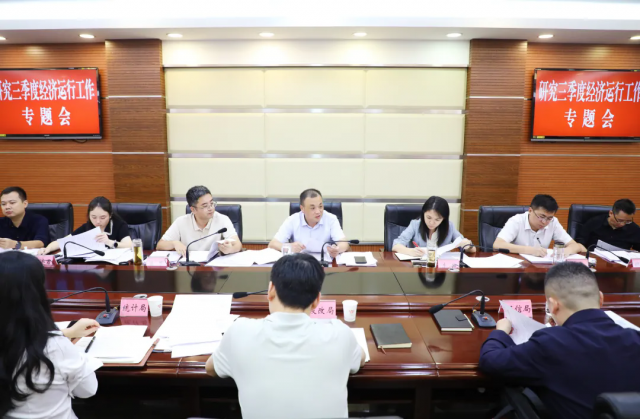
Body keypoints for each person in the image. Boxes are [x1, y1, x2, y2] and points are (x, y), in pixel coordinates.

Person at [205, 253, 365, 419]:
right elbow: (360, 358)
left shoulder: (239, 332)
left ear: (271, 290)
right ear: (317, 300)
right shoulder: (340, 334)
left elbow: (210, 368)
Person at [479, 262, 640, 419]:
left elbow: (490, 360)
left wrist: (501, 331)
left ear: (553, 305)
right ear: (601, 299)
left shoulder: (551, 343)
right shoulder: (635, 338)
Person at [0, 252, 102, 419]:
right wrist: (75, 350)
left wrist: (65, 333)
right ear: (36, 294)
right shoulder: (55, 347)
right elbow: (88, 390)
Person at [157, 185, 242, 256]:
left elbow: (238, 245)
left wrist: (230, 249)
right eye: (205, 206)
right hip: (190, 266)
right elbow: (160, 245)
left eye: (211, 203)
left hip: (213, 266)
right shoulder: (181, 222)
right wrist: (174, 243)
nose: (211, 208)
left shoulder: (222, 219)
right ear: (193, 209)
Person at [493, 194, 586, 257]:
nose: (544, 222)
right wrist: (531, 250)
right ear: (530, 210)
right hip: (517, 267)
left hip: (540, 268)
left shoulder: (553, 222)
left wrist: (565, 251)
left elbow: (575, 245)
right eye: (542, 217)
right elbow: (497, 245)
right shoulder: (516, 221)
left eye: (549, 218)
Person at [268, 189, 349, 259]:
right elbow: (272, 244)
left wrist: (337, 249)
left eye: (320, 206)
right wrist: (289, 247)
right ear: (302, 208)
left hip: (325, 265)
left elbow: (344, 244)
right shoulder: (292, 220)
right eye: (313, 208)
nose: (318, 211)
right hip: (300, 265)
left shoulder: (331, 219)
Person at [39, 196, 132, 255]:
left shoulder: (119, 225)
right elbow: (63, 241)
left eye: (102, 217)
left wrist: (109, 242)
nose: (98, 221)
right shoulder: (87, 227)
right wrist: (47, 249)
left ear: (110, 215)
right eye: (93, 217)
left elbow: (129, 245)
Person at [392, 196, 475, 256]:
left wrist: (467, 245)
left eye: (437, 219)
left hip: (441, 269)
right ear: (423, 213)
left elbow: (472, 249)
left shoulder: (449, 227)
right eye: (428, 217)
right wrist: (409, 251)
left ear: (443, 219)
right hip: (418, 268)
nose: (431, 223)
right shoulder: (415, 225)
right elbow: (396, 245)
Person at [575, 199, 640, 251]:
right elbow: (579, 243)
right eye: (620, 220)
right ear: (611, 213)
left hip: (621, 262)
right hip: (595, 259)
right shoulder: (594, 222)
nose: (622, 224)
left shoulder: (634, 229)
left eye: (628, 221)